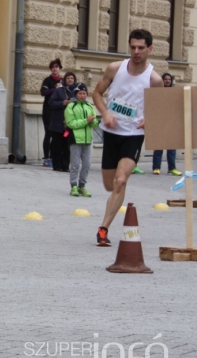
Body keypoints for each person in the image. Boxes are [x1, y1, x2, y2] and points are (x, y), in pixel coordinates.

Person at [91, 29, 163, 247]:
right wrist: (106, 114)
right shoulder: (115, 68)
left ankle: (103, 229)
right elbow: (96, 93)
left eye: (141, 48)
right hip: (112, 132)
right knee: (109, 184)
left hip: (133, 134)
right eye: (133, 47)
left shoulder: (154, 79)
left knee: (120, 181)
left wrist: (149, 119)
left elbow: (159, 108)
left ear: (150, 49)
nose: (136, 52)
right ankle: (113, 201)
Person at [64, 83, 98, 197]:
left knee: (87, 164)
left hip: (87, 140)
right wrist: (86, 121)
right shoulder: (71, 106)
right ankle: (73, 185)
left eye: (84, 93)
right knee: (75, 164)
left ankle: (82, 185)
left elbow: (95, 122)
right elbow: (71, 123)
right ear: (76, 94)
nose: (82, 96)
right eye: (80, 93)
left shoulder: (89, 106)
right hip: (75, 139)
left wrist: (93, 121)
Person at [152, 72, 182, 176]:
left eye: (169, 79)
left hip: (171, 122)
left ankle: (172, 168)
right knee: (159, 146)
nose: (167, 81)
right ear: (162, 80)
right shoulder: (157, 92)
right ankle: (156, 167)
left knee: (171, 146)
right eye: (166, 79)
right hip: (160, 121)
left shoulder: (174, 93)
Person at [48, 71, 77, 172]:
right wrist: (62, 103)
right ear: (65, 80)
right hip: (58, 124)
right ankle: (57, 165)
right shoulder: (59, 90)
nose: (70, 80)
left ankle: (65, 165)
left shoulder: (76, 92)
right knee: (57, 145)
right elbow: (51, 103)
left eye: (72, 78)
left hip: (69, 125)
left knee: (67, 146)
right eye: (68, 78)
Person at [40, 58, 63, 167]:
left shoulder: (62, 81)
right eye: (53, 67)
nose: (55, 69)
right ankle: (46, 158)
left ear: (60, 69)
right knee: (48, 134)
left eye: (57, 67)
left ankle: (55, 156)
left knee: (56, 135)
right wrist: (55, 90)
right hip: (48, 111)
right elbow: (43, 92)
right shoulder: (47, 80)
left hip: (58, 111)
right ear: (50, 69)